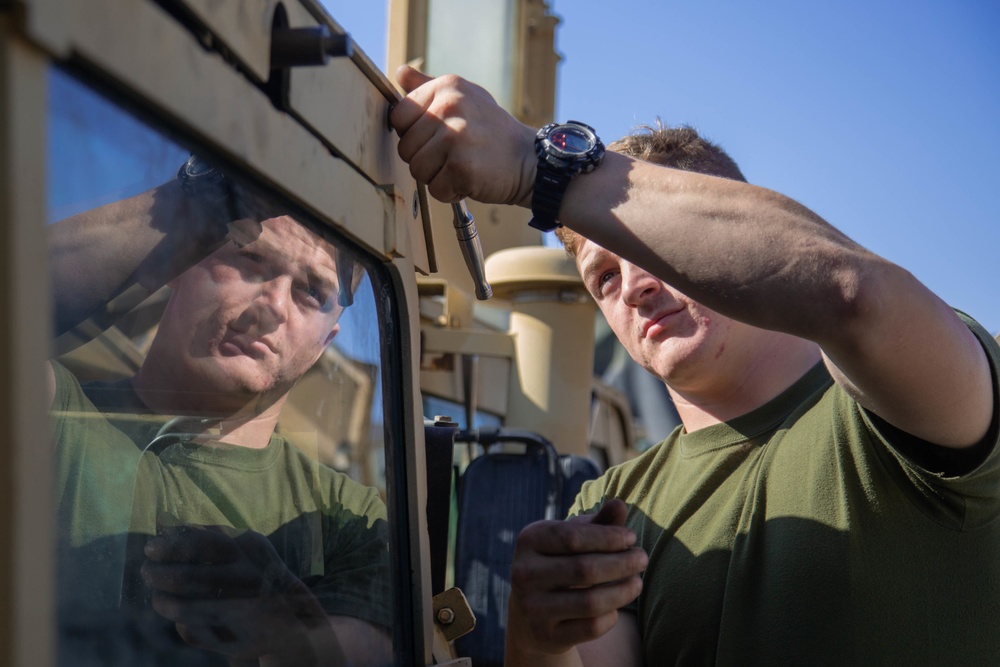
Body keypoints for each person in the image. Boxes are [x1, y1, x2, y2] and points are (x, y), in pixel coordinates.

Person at [389, 67, 1000, 666]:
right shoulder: (618, 502)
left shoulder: (901, 410)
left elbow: (851, 294)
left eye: (646, 250)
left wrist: (539, 166)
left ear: (725, 238)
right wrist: (538, 639)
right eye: (604, 276)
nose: (630, 289)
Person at [47, 164, 393, 667]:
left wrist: (285, 627)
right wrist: (191, 203)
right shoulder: (54, 418)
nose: (272, 306)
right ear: (178, 265)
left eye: (311, 292)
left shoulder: (346, 516)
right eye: (250, 258)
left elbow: (375, 653)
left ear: (326, 343)